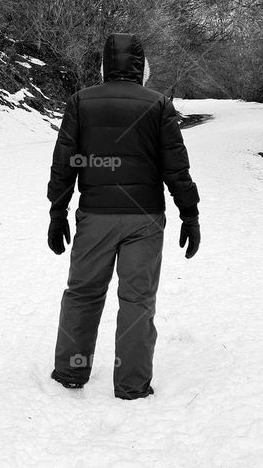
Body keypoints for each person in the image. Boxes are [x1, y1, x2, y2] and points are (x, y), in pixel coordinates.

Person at [45, 32, 200, 399]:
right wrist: (189, 213)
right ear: (142, 68)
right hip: (144, 219)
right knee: (137, 300)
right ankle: (131, 384)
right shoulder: (159, 104)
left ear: (104, 66)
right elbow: (175, 166)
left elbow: (64, 163)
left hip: (95, 216)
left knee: (82, 293)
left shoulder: (81, 102)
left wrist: (57, 211)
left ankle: (71, 370)